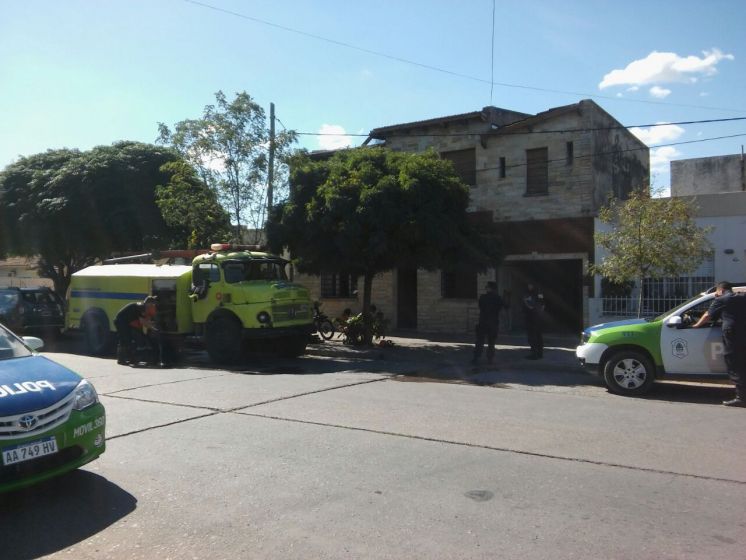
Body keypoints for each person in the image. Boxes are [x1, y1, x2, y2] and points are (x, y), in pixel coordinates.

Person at [693, 281, 746, 407]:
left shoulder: (721, 299)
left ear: (720, 290)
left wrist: (695, 325)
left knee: (735, 365)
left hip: (733, 336)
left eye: (717, 292)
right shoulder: (742, 296)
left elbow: (707, 316)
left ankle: (741, 398)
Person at [114, 296, 158, 365]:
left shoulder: (142, 306)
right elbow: (142, 321)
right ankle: (122, 360)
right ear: (148, 304)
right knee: (125, 339)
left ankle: (131, 359)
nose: (153, 306)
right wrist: (152, 328)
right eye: (152, 304)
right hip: (121, 321)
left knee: (130, 339)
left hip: (126, 321)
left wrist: (150, 327)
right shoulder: (142, 307)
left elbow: (143, 321)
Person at [472, 281, 503, 366]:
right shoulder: (498, 298)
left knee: (479, 341)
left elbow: (481, 306)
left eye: (487, 287)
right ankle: (490, 359)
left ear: (489, 288)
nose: (486, 288)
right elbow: (501, 308)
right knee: (491, 342)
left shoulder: (483, 297)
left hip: (483, 322)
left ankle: (476, 358)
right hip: (493, 323)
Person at [523, 283, 545, 360]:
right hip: (532, 317)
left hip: (534, 317)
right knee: (534, 336)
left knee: (535, 336)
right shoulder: (527, 293)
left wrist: (535, 310)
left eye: (531, 285)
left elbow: (542, 304)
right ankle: (537, 353)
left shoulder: (538, 293)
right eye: (528, 285)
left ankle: (536, 353)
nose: (529, 286)